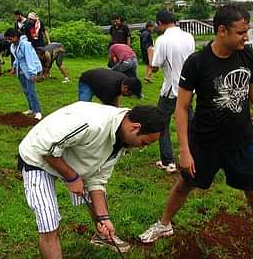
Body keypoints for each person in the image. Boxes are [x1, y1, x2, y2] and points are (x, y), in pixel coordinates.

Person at [139, 5, 253, 259]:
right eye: (241, 32)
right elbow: (182, 108)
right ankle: (164, 225)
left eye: (247, 31)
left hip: (242, 141)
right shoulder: (197, 63)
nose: (246, 37)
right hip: (205, 141)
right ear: (221, 31)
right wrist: (184, 151)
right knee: (184, 184)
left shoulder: (247, 55)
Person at [18, 101, 166, 257]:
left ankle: (103, 235)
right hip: (38, 157)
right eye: (144, 142)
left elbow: (97, 179)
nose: (142, 147)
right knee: (49, 223)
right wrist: (72, 177)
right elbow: (45, 148)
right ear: (135, 127)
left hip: (70, 155)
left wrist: (104, 219)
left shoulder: (122, 138)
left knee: (93, 194)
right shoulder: (92, 124)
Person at [151, 11, 195, 173]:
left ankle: (168, 161)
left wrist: (151, 56)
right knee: (190, 123)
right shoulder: (188, 37)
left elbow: (155, 67)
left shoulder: (162, 40)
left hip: (171, 89)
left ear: (160, 23)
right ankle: (194, 155)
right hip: (189, 88)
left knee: (162, 122)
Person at [4, 28, 43, 120]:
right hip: (20, 70)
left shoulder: (25, 45)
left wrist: (33, 73)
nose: (9, 41)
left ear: (16, 37)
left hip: (29, 69)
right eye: (7, 39)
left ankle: (38, 111)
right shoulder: (13, 46)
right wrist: (14, 68)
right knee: (26, 91)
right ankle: (31, 109)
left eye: (10, 38)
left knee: (31, 91)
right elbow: (16, 58)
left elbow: (31, 58)